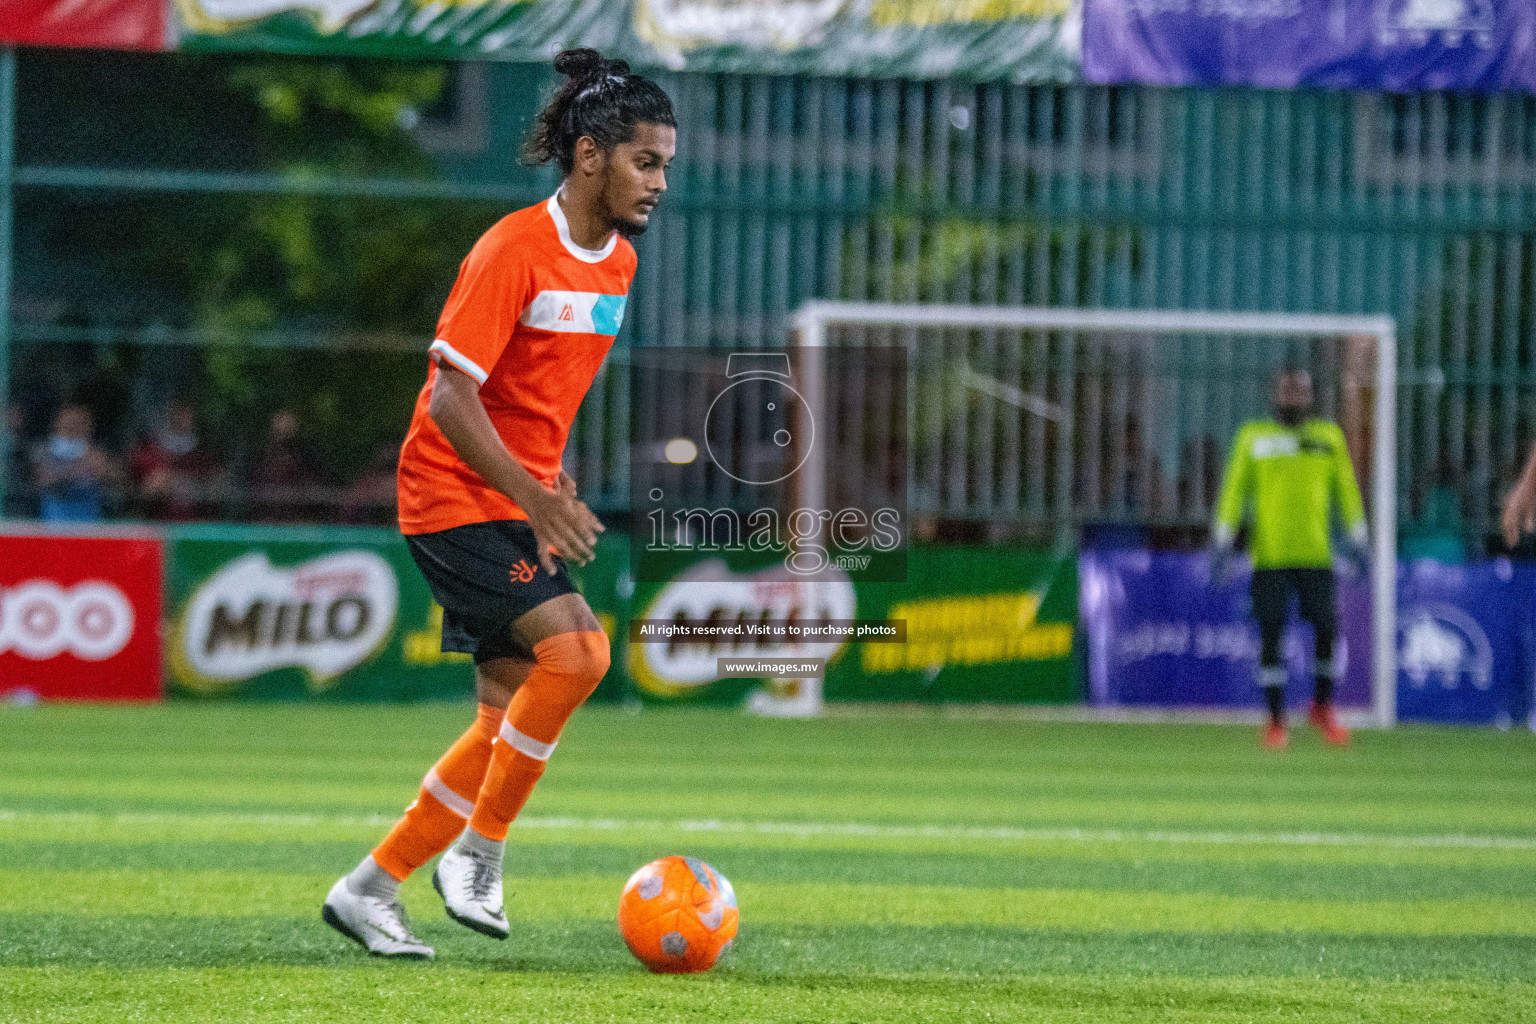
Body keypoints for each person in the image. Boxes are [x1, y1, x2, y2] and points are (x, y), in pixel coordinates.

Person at [322, 48, 675, 960]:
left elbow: (539, 395)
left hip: (516, 502)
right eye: (646, 160)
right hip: (450, 493)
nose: (659, 180)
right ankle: (479, 853)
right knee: (580, 653)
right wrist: (529, 493)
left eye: (666, 163)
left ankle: (368, 889)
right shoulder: (512, 249)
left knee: (502, 716)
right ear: (590, 156)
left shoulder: (620, 267)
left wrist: (547, 483)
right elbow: (448, 396)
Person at [1211, 368, 1367, 750]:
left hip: (1317, 556)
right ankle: (1276, 720)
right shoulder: (1253, 437)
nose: (1293, 398)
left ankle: (1322, 706)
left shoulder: (1328, 438)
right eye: (1287, 391)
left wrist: (1359, 538)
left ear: (1311, 396)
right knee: (1271, 637)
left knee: (1327, 630)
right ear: (1273, 394)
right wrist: (1222, 541)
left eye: (1300, 391)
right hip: (1270, 558)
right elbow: (1234, 491)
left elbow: (1346, 489)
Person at [129, 400, 222, 521]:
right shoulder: (150, 451)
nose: (183, 418)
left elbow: (218, 491)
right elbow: (137, 491)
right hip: (158, 526)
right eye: (178, 413)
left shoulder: (203, 455)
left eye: (187, 414)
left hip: (195, 527)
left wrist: (198, 487)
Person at [31, 404, 118, 522]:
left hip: (89, 523)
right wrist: (76, 469)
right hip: (52, 522)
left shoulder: (96, 454)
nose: (72, 429)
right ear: (57, 425)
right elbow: (43, 479)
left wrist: (94, 461)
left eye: (78, 424)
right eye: (68, 424)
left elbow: (112, 478)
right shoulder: (43, 451)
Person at [249, 409, 325, 523]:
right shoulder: (259, 460)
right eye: (280, 429)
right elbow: (253, 492)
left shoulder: (307, 458)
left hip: (299, 521)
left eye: (288, 427)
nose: (284, 434)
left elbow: (317, 491)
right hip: (268, 521)